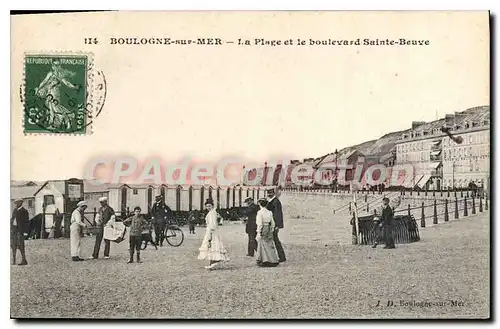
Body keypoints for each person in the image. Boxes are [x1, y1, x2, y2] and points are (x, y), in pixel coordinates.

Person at [198, 198, 229, 270]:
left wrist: (210, 234)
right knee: (212, 247)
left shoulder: (212, 213)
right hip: (211, 230)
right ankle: (213, 261)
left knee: (212, 245)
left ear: (212, 206)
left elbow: (213, 224)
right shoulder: (212, 212)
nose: (208, 207)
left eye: (209, 206)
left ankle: (214, 261)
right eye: (207, 206)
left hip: (212, 231)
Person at [255, 198, 280, 267]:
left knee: (262, 244)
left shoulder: (260, 212)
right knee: (270, 244)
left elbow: (259, 223)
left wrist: (258, 231)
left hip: (263, 227)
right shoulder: (270, 212)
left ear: (260, 204)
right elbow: (273, 222)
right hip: (268, 227)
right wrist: (271, 229)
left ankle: (265, 260)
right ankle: (274, 259)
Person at [266, 189, 286, 262]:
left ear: (273, 193)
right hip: (272, 224)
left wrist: (277, 226)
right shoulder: (273, 201)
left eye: (270, 193)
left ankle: (281, 256)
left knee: (275, 240)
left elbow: (278, 214)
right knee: (275, 240)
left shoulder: (275, 202)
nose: (269, 194)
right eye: (268, 193)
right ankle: (280, 256)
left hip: (274, 224)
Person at [11, 199, 30, 265]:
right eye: (16, 203)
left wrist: (25, 232)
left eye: (18, 202)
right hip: (14, 230)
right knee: (13, 245)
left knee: (21, 246)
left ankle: (24, 260)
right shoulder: (15, 210)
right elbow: (12, 219)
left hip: (20, 231)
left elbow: (27, 222)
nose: (17, 204)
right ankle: (14, 261)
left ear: (21, 203)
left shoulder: (24, 211)